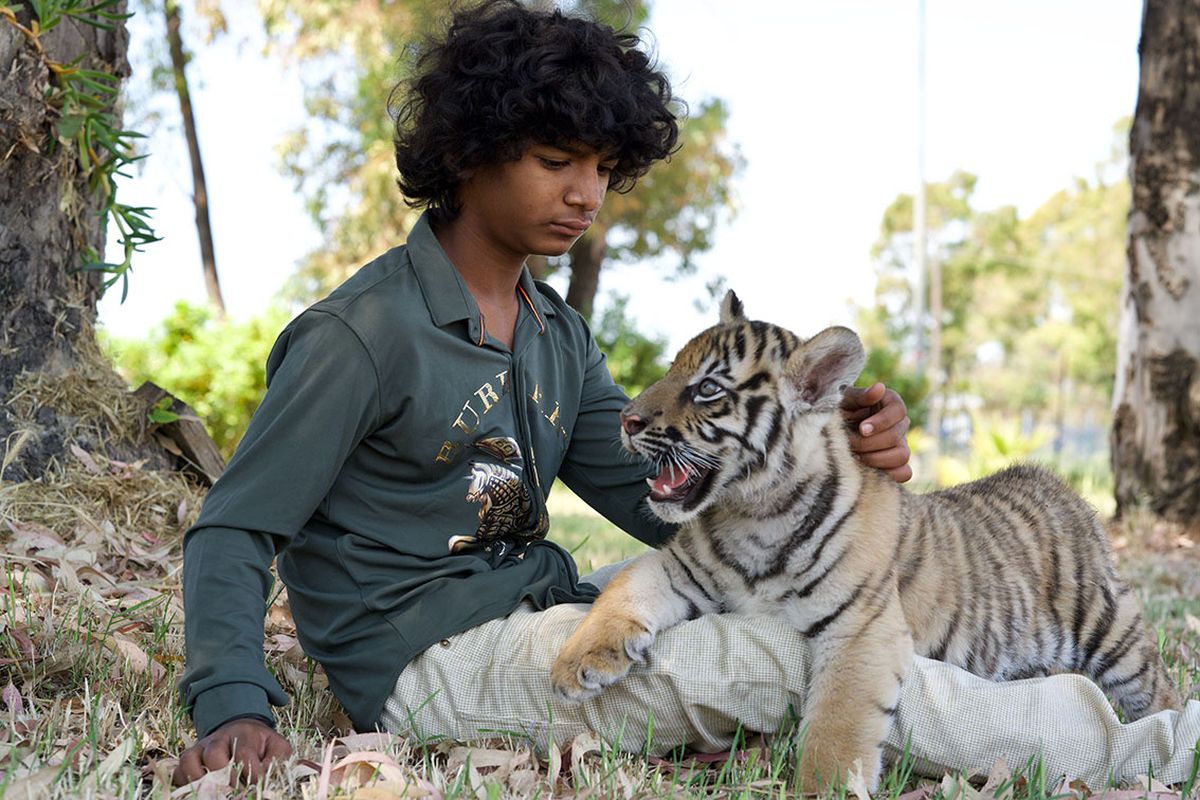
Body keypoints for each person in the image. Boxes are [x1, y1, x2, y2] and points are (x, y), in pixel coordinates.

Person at [173, 0, 1198, 787]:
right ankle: (1144, 742)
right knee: (785, 659)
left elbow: (654, 487)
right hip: (421, 663)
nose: (585, 194)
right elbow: (234, 528)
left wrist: (816, 453)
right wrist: (230, 701)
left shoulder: (553, 332)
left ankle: (1034, 698)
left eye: (604, 170)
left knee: (825, 626)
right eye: (555, 160)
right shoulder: (366, 334)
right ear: (468, 151)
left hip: (549, 612)